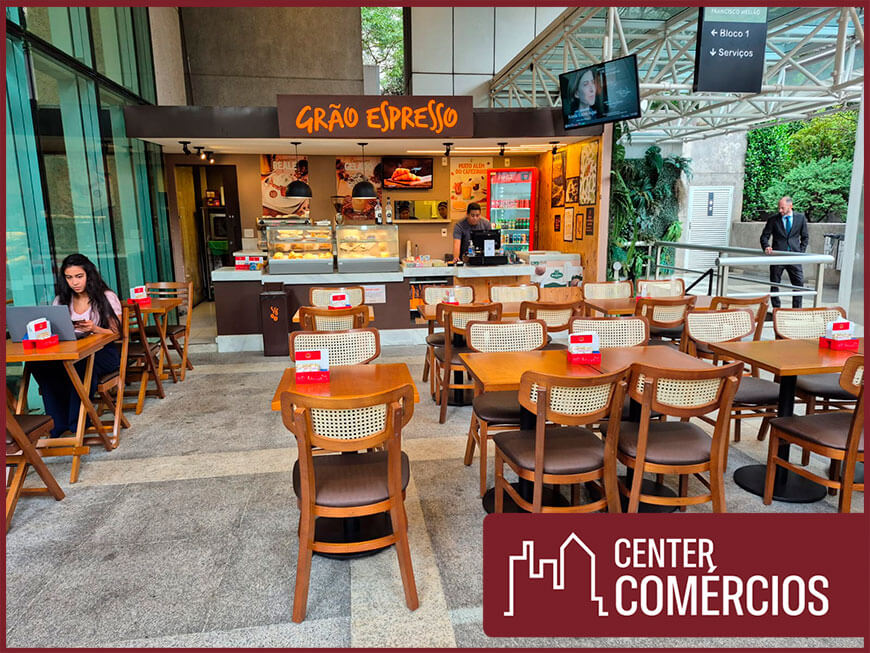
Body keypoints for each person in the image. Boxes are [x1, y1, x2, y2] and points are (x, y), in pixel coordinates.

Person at [30, 254, 123, 437]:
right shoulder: (61, 300)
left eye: (79, 276)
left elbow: (117, 333)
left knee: (79, 364)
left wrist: (94, 328)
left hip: (103, 352)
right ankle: (57, 424)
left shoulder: (106, 297)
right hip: (73, 350)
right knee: (39, 365)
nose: (74, 282)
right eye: (69, 277)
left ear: (89, 275)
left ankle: (77, 425)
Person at [760, 196, 809, 308]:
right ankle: (776, 309)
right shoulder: (773, 219)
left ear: (790, 206)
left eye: (782, 208)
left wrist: (800, 252)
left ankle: (796, 310)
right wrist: (766, 246)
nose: (780, 210)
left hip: (794, 257)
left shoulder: (800, 218)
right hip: (778, 256)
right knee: (774, 284)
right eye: (779, 208)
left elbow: (805, 237)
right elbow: (764, 236)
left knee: (798, 284)